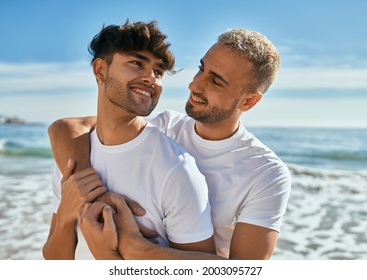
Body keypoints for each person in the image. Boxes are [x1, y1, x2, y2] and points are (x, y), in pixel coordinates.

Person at [48, 27, 291, 259]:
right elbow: (67, 128)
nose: (194, 85)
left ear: (248, 102)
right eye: (201, 69)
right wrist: (91, 194)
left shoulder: (266, 173)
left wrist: (135, 250)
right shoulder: (163, 126)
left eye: (216, 81)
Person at [42, 20, 215, 260]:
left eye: (158, 72)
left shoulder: (175, 169)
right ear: (101, 70)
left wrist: (110, 254)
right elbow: (54, 259)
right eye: (136, 63)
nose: (151, 78)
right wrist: (65, 215)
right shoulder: (74, 155)